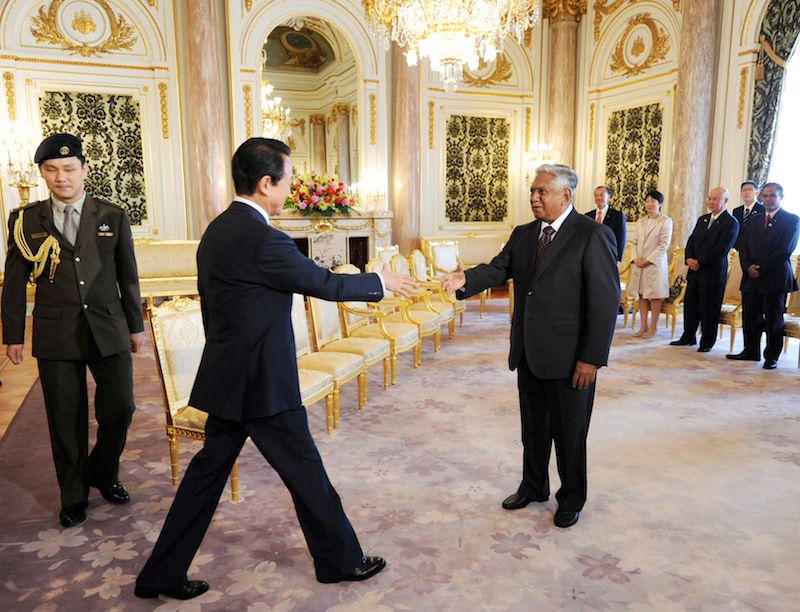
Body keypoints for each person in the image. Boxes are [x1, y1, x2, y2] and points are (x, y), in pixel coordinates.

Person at [135, 138, 418, 600]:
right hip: (262, 383)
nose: (289, 188)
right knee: (306, 473)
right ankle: (341, 561)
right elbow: (321, 283)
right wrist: (379, 282)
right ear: (266, 183)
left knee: (205, 478)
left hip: (228, 377)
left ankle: (159, 575)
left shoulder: (218, 230)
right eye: (286, 180)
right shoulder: (264, 239)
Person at [441, 164, 619, 529]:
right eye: (533, 191)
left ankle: (571, 497)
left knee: (570, 435)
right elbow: (497, 268)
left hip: (572, 358)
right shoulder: (523, 234)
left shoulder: (592, 234)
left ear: (565, 195)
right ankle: (533, 485)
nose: (534, 198)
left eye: (542, 192)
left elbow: (604, 302)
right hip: (528, 350)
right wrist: (465, 280)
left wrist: (591, 359)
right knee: (533, 429)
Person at [2, 133, 145, 529]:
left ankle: (101, 470)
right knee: (65, 419)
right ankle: (74, 495)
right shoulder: (26, 220)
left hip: (108, 326)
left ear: (84, 168)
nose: (61, 177)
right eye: (51, 170)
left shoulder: (112, 215)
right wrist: (12, 334)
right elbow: (13, 281)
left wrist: (136, 325)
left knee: (121, 408)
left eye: (68, 168)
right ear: (42, 174)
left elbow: (127, 276)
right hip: (55, 332)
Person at [727, 182, 799, 369]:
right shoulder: (753, 219)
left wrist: (760, 267)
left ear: (781, 197)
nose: (767, 199)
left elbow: (785, 250)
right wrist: (748, 266)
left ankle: (771, 357)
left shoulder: (792, 220)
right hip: (751, 276)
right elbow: (743, 246)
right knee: (750, 317)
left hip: (774, 277)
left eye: (772, 195)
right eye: (765, 196)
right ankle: (751, 351)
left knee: (773, 319)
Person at [669, 187, 739, 352]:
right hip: (694, 270)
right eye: (710, 199)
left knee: (709, 308)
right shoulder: (703, 219)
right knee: (691, 304)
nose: (711, 202)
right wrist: (689, 259)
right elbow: (691, 241)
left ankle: (707, 341)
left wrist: (699, 261)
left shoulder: (731, 223)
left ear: (725, 201)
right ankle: (688, 336)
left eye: (716, 199)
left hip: (713, 272)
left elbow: (721, 249)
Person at [628, 190, 672, 338]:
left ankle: (653, 327)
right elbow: (633, 242)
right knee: (641, 295)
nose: (649, 204)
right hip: (639, 263)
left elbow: (664, 244)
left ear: (660, 204)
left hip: (654, 264)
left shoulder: (666, 221)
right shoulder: (641, 221)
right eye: (647, 201)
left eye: (653, 201)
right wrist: (635, 259)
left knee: (654, 296)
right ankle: (643, 326)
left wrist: (648, 260)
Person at [586, 185, 627, 261]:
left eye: (601, 195)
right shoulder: (588, 216)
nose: (598, 198)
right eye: (596, 195)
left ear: (608, 196)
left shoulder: (617, 216)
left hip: (609, 256)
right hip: (590, 256)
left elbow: (621, 238)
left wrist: (618, 259)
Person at [732, 180, 763, 250]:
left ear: (757, 193)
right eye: (743, 190)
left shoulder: (763, 210)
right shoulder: (737, 211)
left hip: (756, 248)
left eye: (750, 189)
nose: (746, 192)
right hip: (738, 248)